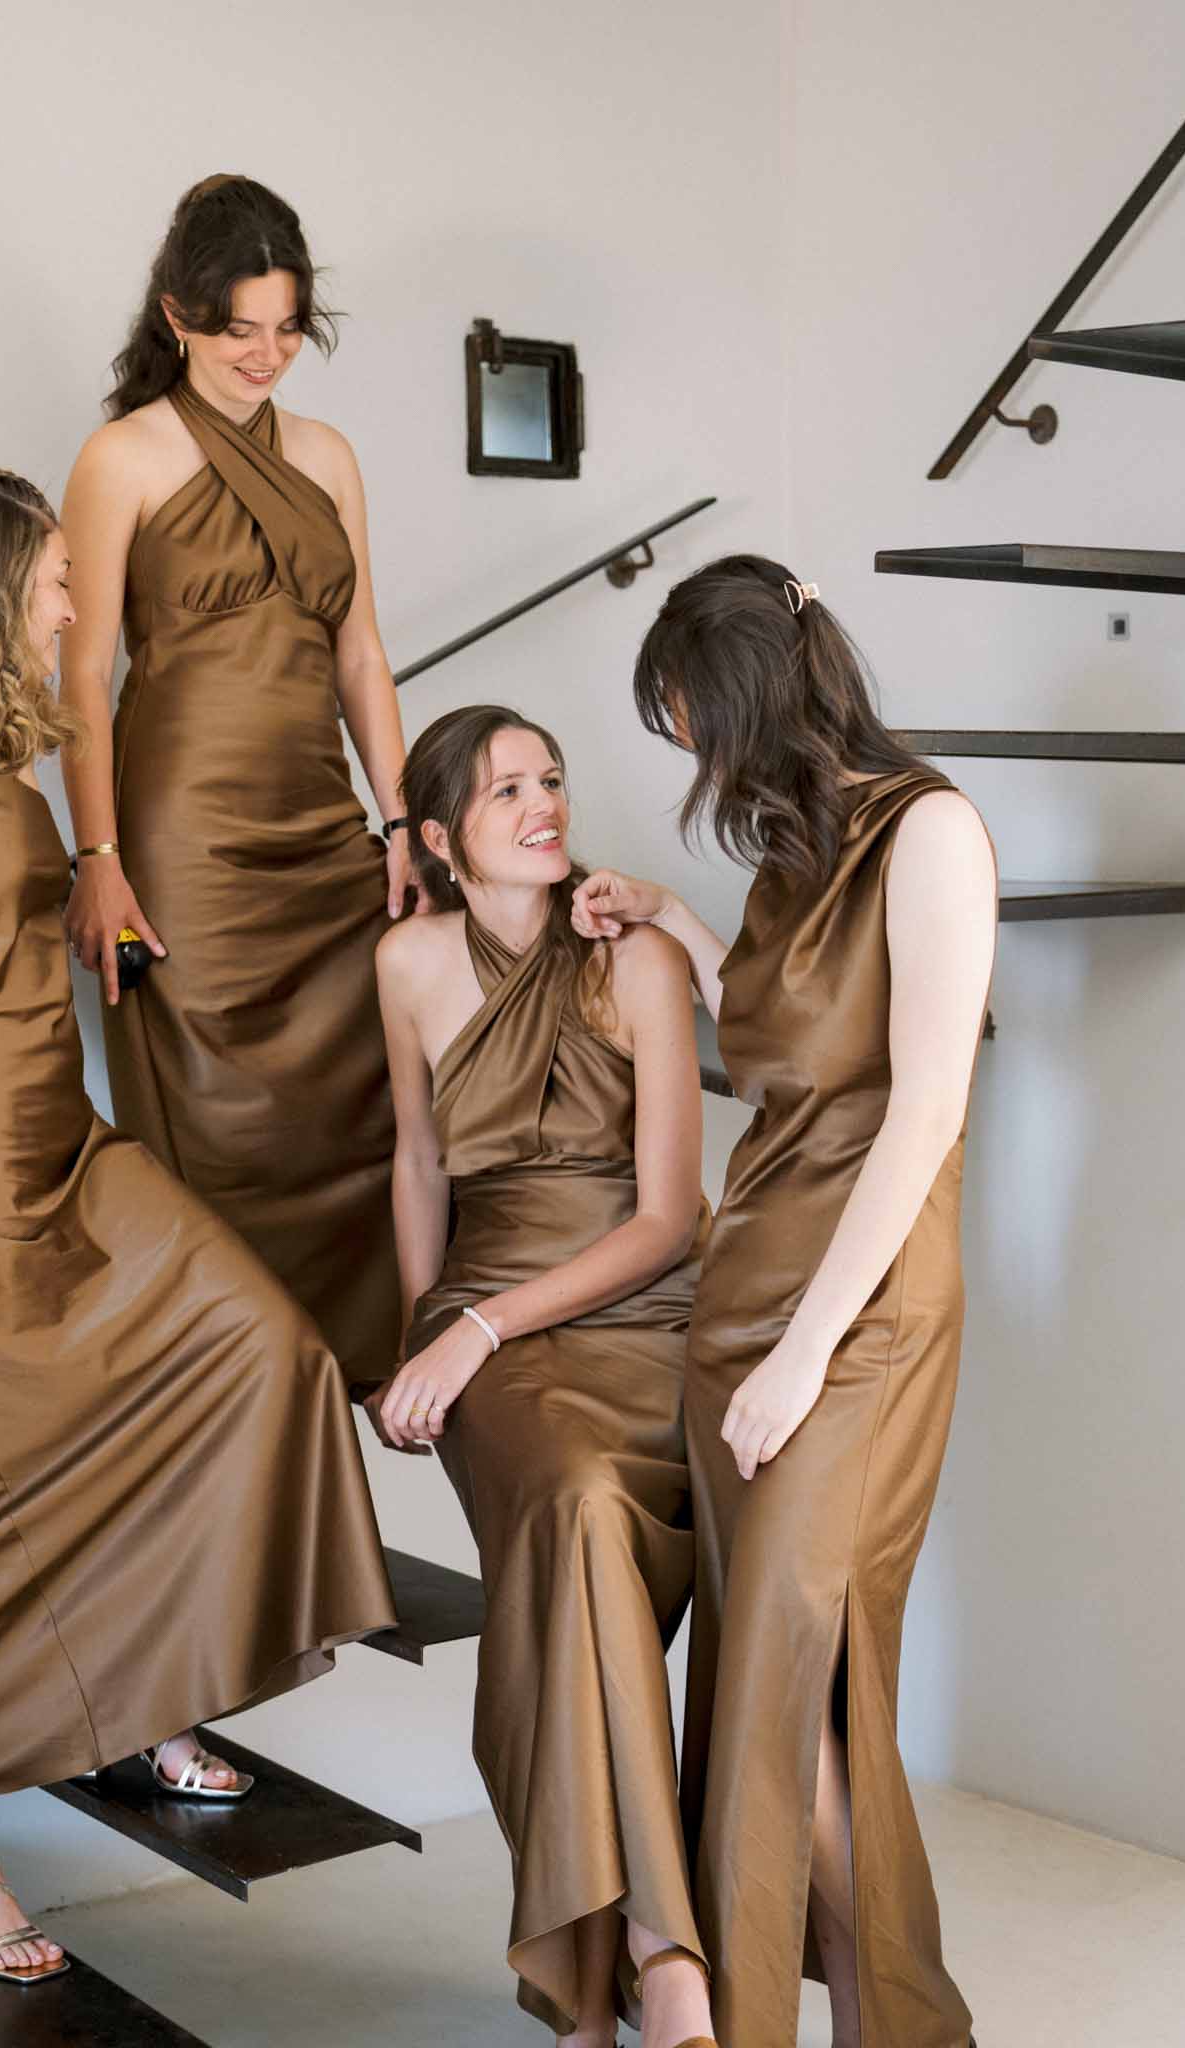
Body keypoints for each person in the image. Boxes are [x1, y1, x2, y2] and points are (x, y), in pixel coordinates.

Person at [0, 465, 396, 1985]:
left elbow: (5, 933)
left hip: (61, 1147)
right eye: (58, 577)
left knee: (251, 1346)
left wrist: (96, 907)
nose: (78, 600)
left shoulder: (11, 752)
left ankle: (146, 1699)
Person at [572, 555, 994, 2048]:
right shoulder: (783, 859)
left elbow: (918, 1113)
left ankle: (891, 2025)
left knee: (787, 1693)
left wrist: (803, 1357)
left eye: (689, 717)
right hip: (747, 1299)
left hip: (856, 1318)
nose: (687, 752)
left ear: (750, 695)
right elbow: (771, 1052)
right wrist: (672, 921)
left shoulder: (929, 833)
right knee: (778, 1707)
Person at [374, 705, 717, 2048]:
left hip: (643, 1313)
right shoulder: (404, 961)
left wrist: (478, 1332)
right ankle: (661, 1963)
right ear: (441, 838)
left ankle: (596, 1987)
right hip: (484, 1331)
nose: (543, 804)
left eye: (552, 780)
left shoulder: (629, 957)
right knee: (569, 1507)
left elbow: (665, 1219)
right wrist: (428, 1328)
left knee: (575, 1547)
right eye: (506, 787)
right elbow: (414, 1161)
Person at [59, 173, 413, 1389]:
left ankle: (343, 1402)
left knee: (366, 1116)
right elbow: (82, 682)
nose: (264, 356)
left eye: (283, 329)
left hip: (322, 830)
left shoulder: (328, 455)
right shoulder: (120, 457)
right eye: (236, 329)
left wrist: (402, 819)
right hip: (183, 846)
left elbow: (361, 652)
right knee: (212, 1142)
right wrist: (95, 859)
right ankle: (231, 1413)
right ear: (175, 316)